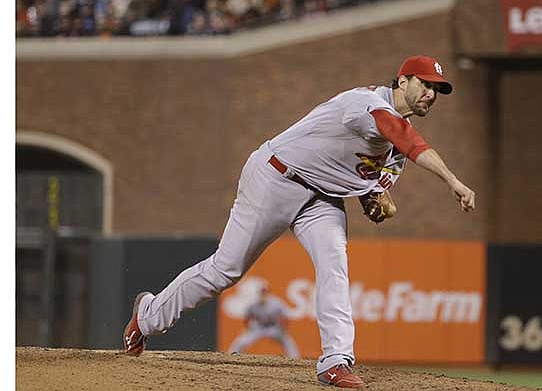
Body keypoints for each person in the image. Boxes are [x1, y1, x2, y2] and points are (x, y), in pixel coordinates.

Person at [123, 55, 476, 389]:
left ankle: (336, 360)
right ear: (403, 80)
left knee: (334, 263)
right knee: (225, 271)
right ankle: (149, 314)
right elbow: (403, 136)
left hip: (322, 199)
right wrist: (453, 181)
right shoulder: (366, 104)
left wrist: (373, 198)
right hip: (275, 179)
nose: (431, 93)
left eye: (438, 89)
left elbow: (377, 181)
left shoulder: (396, 144)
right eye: (425, 84)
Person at [228, 282, 300, 358]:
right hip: (258, 327)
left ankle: (295, 359)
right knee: (241, 341)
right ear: (259, 294)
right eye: (262, 293)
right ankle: (231, 356)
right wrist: (248, 328)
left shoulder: (276, 303)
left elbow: (286, 316)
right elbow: (247, 317)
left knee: (288, 342)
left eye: (265, 293)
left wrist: (283, 329)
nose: (263, 295)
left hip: (273, 327)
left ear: (269, 294)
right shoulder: (253, 304)